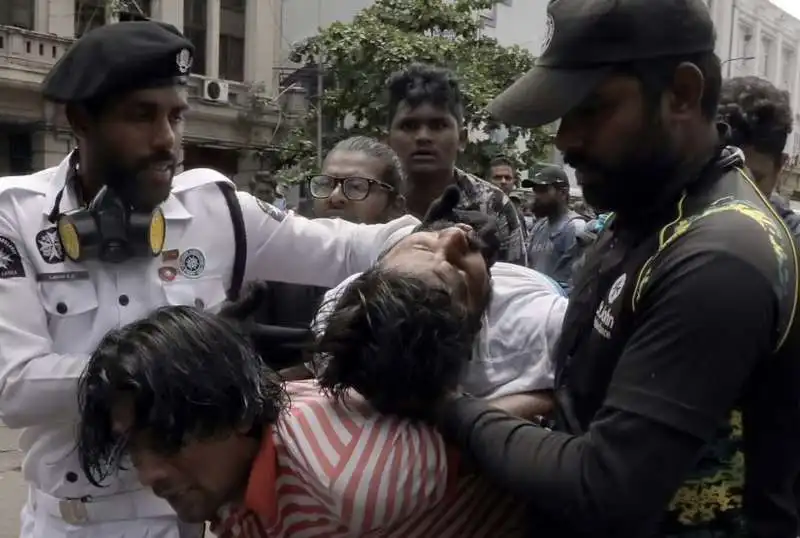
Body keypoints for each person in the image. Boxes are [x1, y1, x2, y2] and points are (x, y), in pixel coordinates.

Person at [0, 21, 417, 538]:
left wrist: (439, 241)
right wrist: (180, 363)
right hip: (70, 524)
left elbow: (350, 247)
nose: (167, 140)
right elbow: (15, 387)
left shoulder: (215, 207)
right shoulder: (14, 216)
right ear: (81, 119)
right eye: (141, 116)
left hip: (188, 522)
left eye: (176, 116)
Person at [432, 0, 800, 537]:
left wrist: (446, 406)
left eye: (592, 108)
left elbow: (605, 488)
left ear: (682, 93)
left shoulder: (719, 255)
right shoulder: (643, 211)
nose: (565, 139)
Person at [76, 306, 528, 537]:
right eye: (133, 448)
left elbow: (491, 435)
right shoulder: (233, 484)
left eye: (167, 439)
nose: (149, 474)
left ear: (233, 410)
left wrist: (545, 398)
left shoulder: (349, 475)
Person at [312, 186, 566, 419]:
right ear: (475, 326)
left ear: (378, 263)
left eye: (421, 247)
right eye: (459, 270)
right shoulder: (544, 331)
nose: (454, 234)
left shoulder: (341, 311)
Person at [234, 136, 409, 372]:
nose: (335, 197)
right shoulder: (273, 271)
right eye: (326, 184)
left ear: (396, 207)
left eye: (356, 186)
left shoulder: (407, 285)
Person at [385, 63, 527, 265]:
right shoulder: (368, 199)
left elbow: (518, 288)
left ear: (462, 138)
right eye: (409, 125)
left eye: (438, 125)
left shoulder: (494, 206)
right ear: (387, 140)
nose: (423, 136)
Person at [718, 76, 800, 237]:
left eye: (752, 180)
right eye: (723, 174)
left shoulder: (791, 239)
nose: (737, 194)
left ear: (779, 168)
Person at [523, 165, 587, 292]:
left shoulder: (575, 228)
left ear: (562, 193)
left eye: (543, 190)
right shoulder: (539, 227)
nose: (536, 196)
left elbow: (576, 282)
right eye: (535, 190)